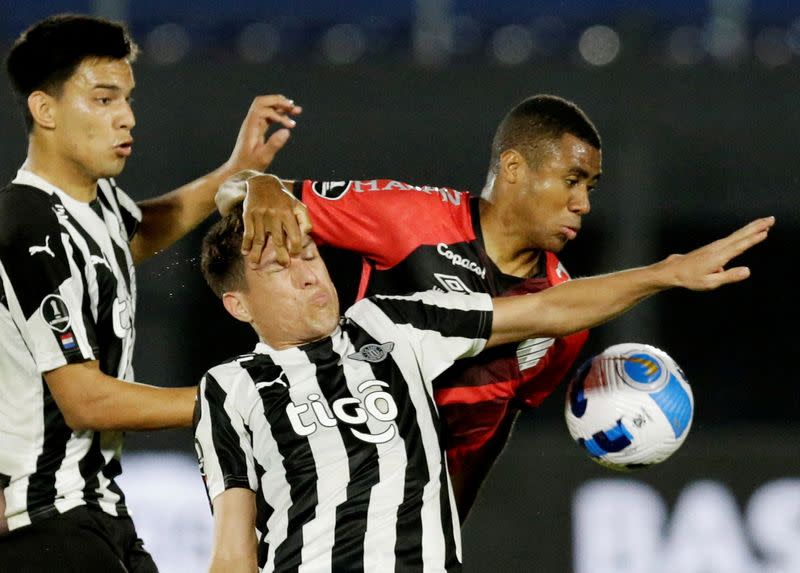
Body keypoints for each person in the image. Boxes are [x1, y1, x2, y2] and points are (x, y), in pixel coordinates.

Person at [195, 200, 772, 572]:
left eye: (309, 251)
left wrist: (664, 273)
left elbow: (548, 310)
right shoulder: (228, 389)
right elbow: (233, 552)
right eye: (279, 268)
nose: (308, 273)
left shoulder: (391, 324)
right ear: (237, 304)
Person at [0, 13, 300, 572]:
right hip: (41, 525)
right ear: (45, 111)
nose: (127, 118)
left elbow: (139, 231)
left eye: (128, 99)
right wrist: (228, 398)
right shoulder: (27, 226)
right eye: (104, 99)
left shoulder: (98, 206)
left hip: (98, 514)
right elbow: (84, 398)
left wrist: (233, 172)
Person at [215, 94, 603, 519]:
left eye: (589, 187)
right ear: (513, 168)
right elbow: (233, 194)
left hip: (417, 542)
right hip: (325, 505)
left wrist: (447, 535)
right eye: (572, 180)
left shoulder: (565, 323)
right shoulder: (407, 218)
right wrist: (261, 185)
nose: (582, 204)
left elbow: (491, 432)